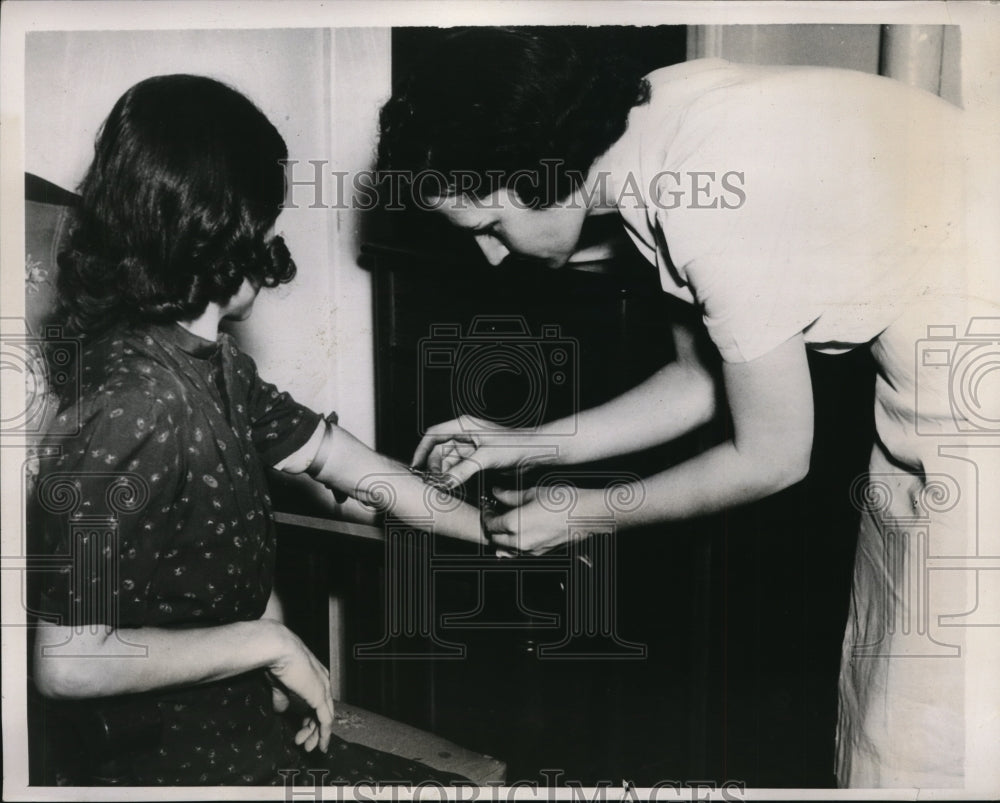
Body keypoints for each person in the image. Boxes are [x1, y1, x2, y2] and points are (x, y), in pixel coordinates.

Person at [376, 28, 1000, 789]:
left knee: (924, 750)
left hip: (972, 420)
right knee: (889, 720)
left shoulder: (713, 194)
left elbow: (773, 457)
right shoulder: (656, 120)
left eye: (490, 228)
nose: (493, 256)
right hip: (932, 404)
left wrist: (583, 512)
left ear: (534, 176)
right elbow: (704, 378)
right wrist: (528, 441)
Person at [29, 73, 484, 786]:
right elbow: (69, 661)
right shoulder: (128, 410)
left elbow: (333, 455)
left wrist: (490, 530)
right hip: (169, 766)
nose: (275, 236)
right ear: (221, 230)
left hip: (245, 729)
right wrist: (265, 641)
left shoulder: (215, 364)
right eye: (266, 219)